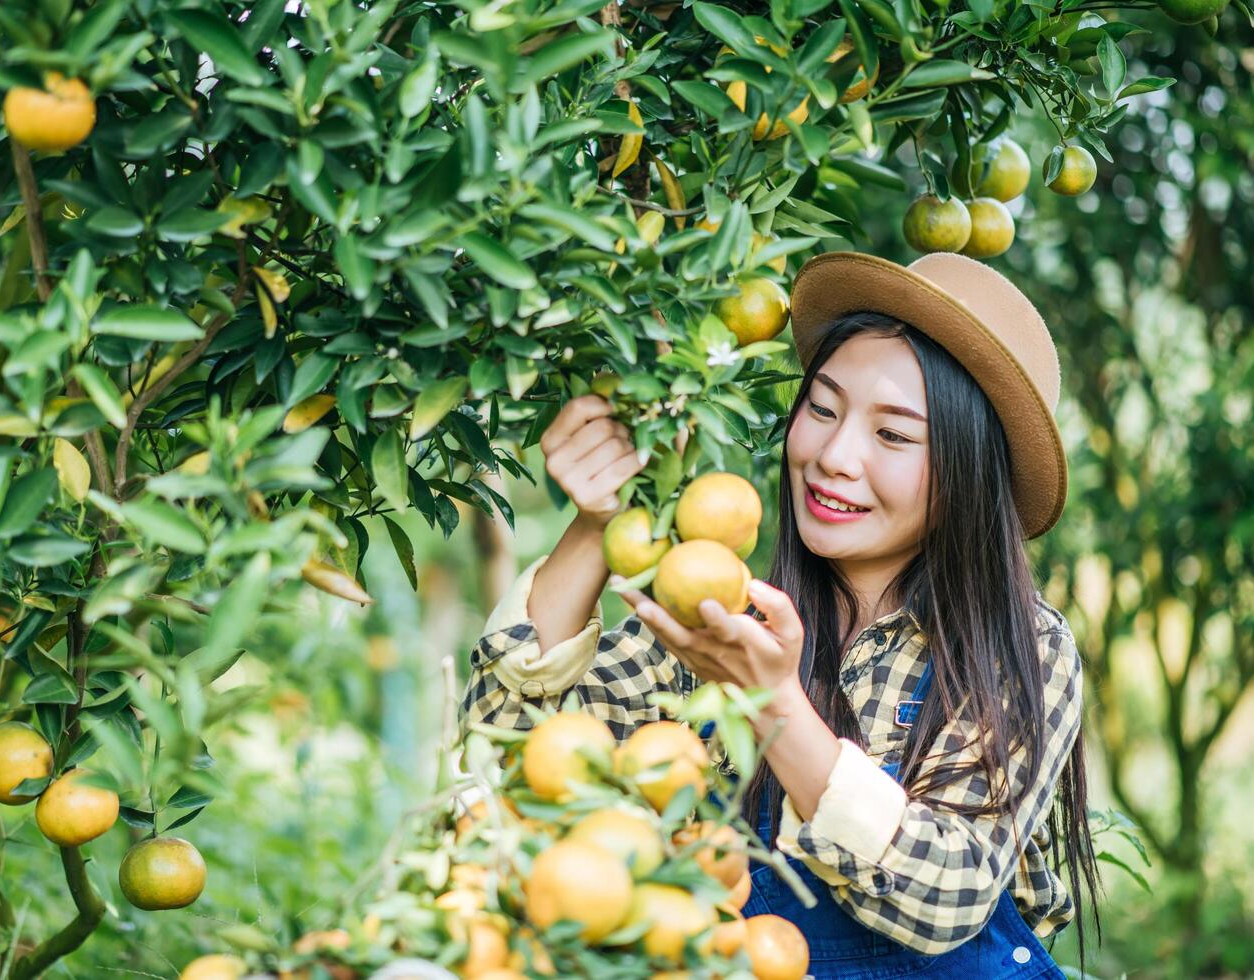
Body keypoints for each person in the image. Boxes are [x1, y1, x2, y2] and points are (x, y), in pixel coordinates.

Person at [461, 252, 1100, 978]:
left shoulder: (1014, 650)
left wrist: (771, 702)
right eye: (821, 409)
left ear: (966, 473)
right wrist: (594, 525)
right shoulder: (722, 613)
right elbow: (512, 763)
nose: (833, 455)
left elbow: (946, 896)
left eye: (892, 435)